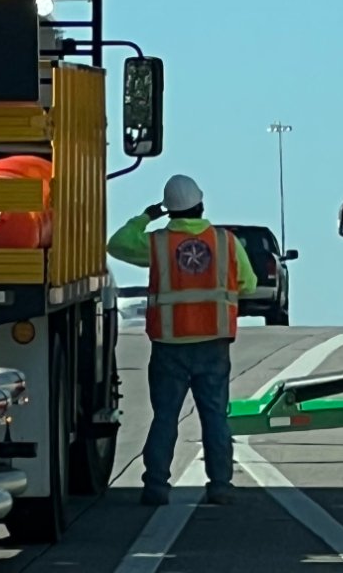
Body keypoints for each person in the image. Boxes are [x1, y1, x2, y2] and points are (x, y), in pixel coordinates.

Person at [107, 173, 257, 508]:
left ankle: (156, 487)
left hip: (169, 345)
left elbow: (115, 244)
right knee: (215, 416)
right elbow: (247, 283)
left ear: (169, 210)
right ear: (201, 205)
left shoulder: (158, 243)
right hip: (213, 342)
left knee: (165, 417)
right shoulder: (225, 242)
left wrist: (146, 216)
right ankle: (220, 486)